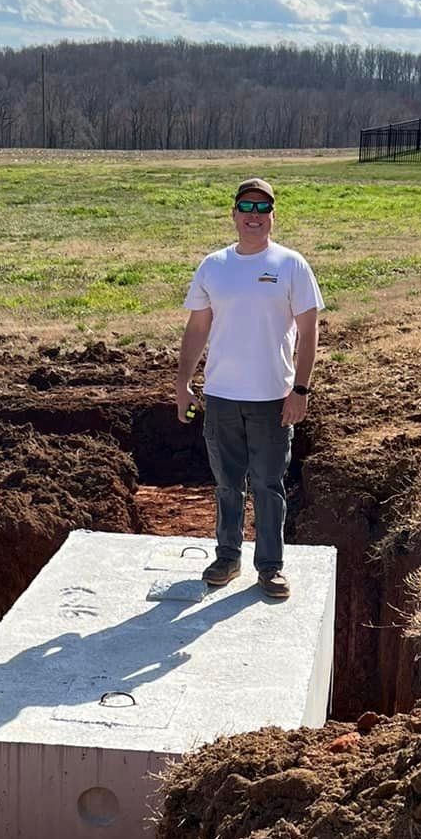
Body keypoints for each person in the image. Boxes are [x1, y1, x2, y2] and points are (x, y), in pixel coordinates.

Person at [174, 177, 323, 602]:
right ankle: (227, 556)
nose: (254, 217)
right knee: (226, 483)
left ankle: (270, 567)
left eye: (262, 210)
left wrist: (301, 389)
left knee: (268, 484)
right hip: (221, 396)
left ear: (272, 217)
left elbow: (310, 331)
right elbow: (197, 328)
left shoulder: (291, 265)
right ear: (234, 214)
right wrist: (183, 382)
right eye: (247, 209)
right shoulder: (214, 266)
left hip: (272, 399)